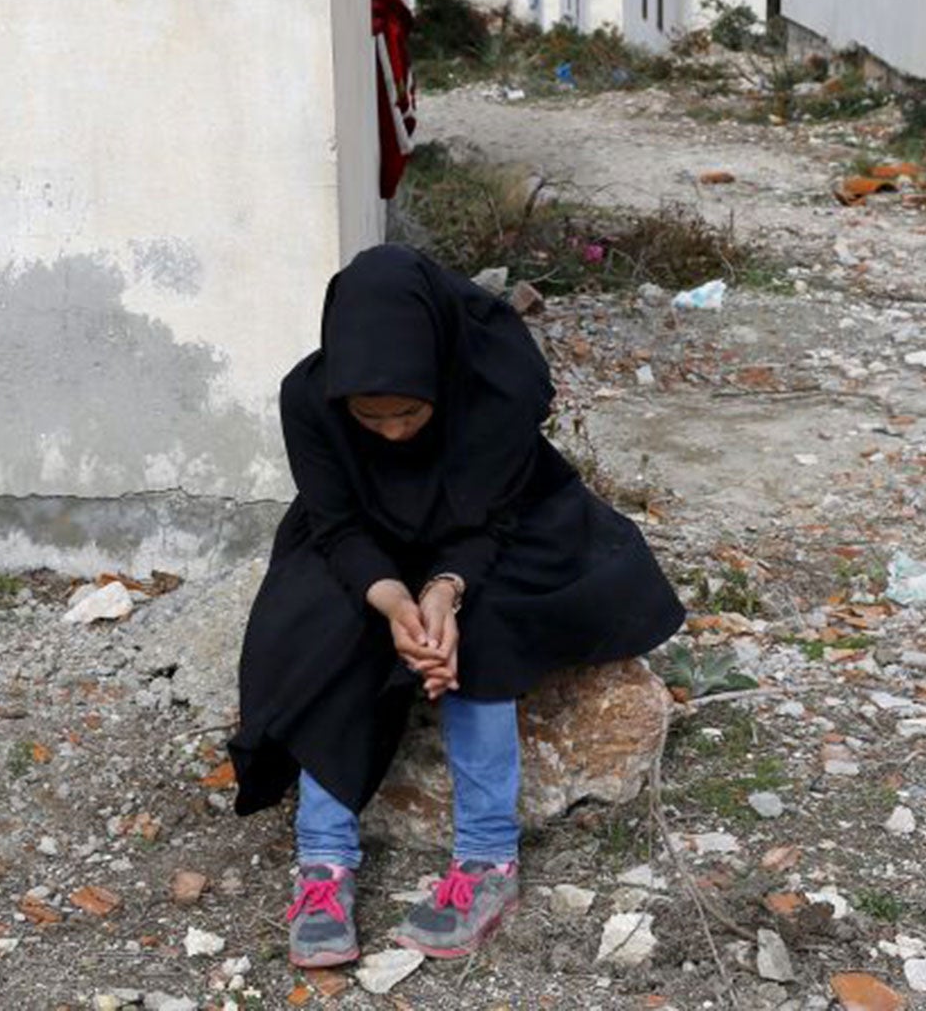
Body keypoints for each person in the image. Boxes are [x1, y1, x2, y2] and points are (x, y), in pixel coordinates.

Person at [229, 244, 686, 968]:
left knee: (488, 625)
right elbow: (338, 525)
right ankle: (323, 862)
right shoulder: (308, 398)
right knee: (323, 621)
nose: (389, 432)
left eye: (408, 413)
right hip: (366, 534)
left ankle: (486, 862)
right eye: (368, 416)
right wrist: (390, 601)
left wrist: (444, 594)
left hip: (503, 525)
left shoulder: (493, 389)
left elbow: (490, 522)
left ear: (438, 375)